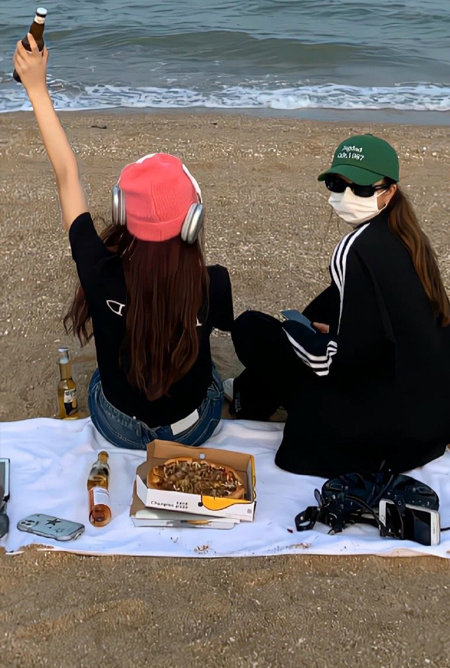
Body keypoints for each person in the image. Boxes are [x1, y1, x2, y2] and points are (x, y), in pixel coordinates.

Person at [14, 35, 234, 449]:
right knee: (212, 374)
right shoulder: (214, 284)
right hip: (192, 429)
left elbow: (66, 175)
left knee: (102, 375)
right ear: (192, 223)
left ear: (121, 212)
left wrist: (36, 88)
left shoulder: (98, 271)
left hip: (118, 427)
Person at [226, 134, 450, 477]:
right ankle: (249, 393)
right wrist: (340, 331)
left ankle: (249, 397)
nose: (346, 196)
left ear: (389, 191)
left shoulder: (354, 250)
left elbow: (338, 364)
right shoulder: (411, 241)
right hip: (426, 425)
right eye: (337, 184)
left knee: (252, 327)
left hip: (375, 436)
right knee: (329, 302)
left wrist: (298, 334)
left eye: (360, 188)